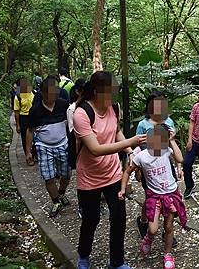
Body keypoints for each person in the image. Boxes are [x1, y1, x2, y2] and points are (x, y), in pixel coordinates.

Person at [73, 71, 146, 269]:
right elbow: (95, 149)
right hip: (89, 177)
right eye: (110, 92)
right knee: (91, 219)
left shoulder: (114, 107)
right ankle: (83, 254)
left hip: (113, 173)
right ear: (97, 91)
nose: (113, 96)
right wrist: (132, 141)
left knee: (118, 217)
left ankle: (116, 261)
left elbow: (116, 131)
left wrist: (130, 150)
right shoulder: (81, 113)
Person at [119, 125, 186, 269]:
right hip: (154, 196)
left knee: (168, 227)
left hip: (171, 193)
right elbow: (127, 171)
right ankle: (148, 238)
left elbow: (180, 158)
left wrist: (172, 141)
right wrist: (123, 189)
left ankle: (167, 254)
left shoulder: (165, 151)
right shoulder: (141, 157)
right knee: (153, 229)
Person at [134, 92, 180, 246]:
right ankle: (143, 221)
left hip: (165, 163)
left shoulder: (169, 121)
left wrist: (178, 166)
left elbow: (172, 143)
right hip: (148, 166)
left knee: (169, 196)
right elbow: (138, 147)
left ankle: (168, 230)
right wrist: (137, 170)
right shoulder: (143, 124)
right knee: (151, 197)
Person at [25, 76, 71, 217]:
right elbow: (30, 130)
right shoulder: (35, 110)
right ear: (43, 93)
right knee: (48, 177)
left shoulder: (63, 105)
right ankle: (56, 201)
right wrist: (28, 151)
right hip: (43, 146)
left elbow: (70, 123)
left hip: (63, 143)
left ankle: (61, 193)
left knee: (66, 174)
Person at [14, 78, 35, 163]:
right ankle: (28, 156)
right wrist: (18, 125)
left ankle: (34, 154)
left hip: (33, 117)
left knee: (35, 137)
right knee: (24, 138)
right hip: (24, 118)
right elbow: (16, 112)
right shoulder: (18, 97)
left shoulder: (33, 93)